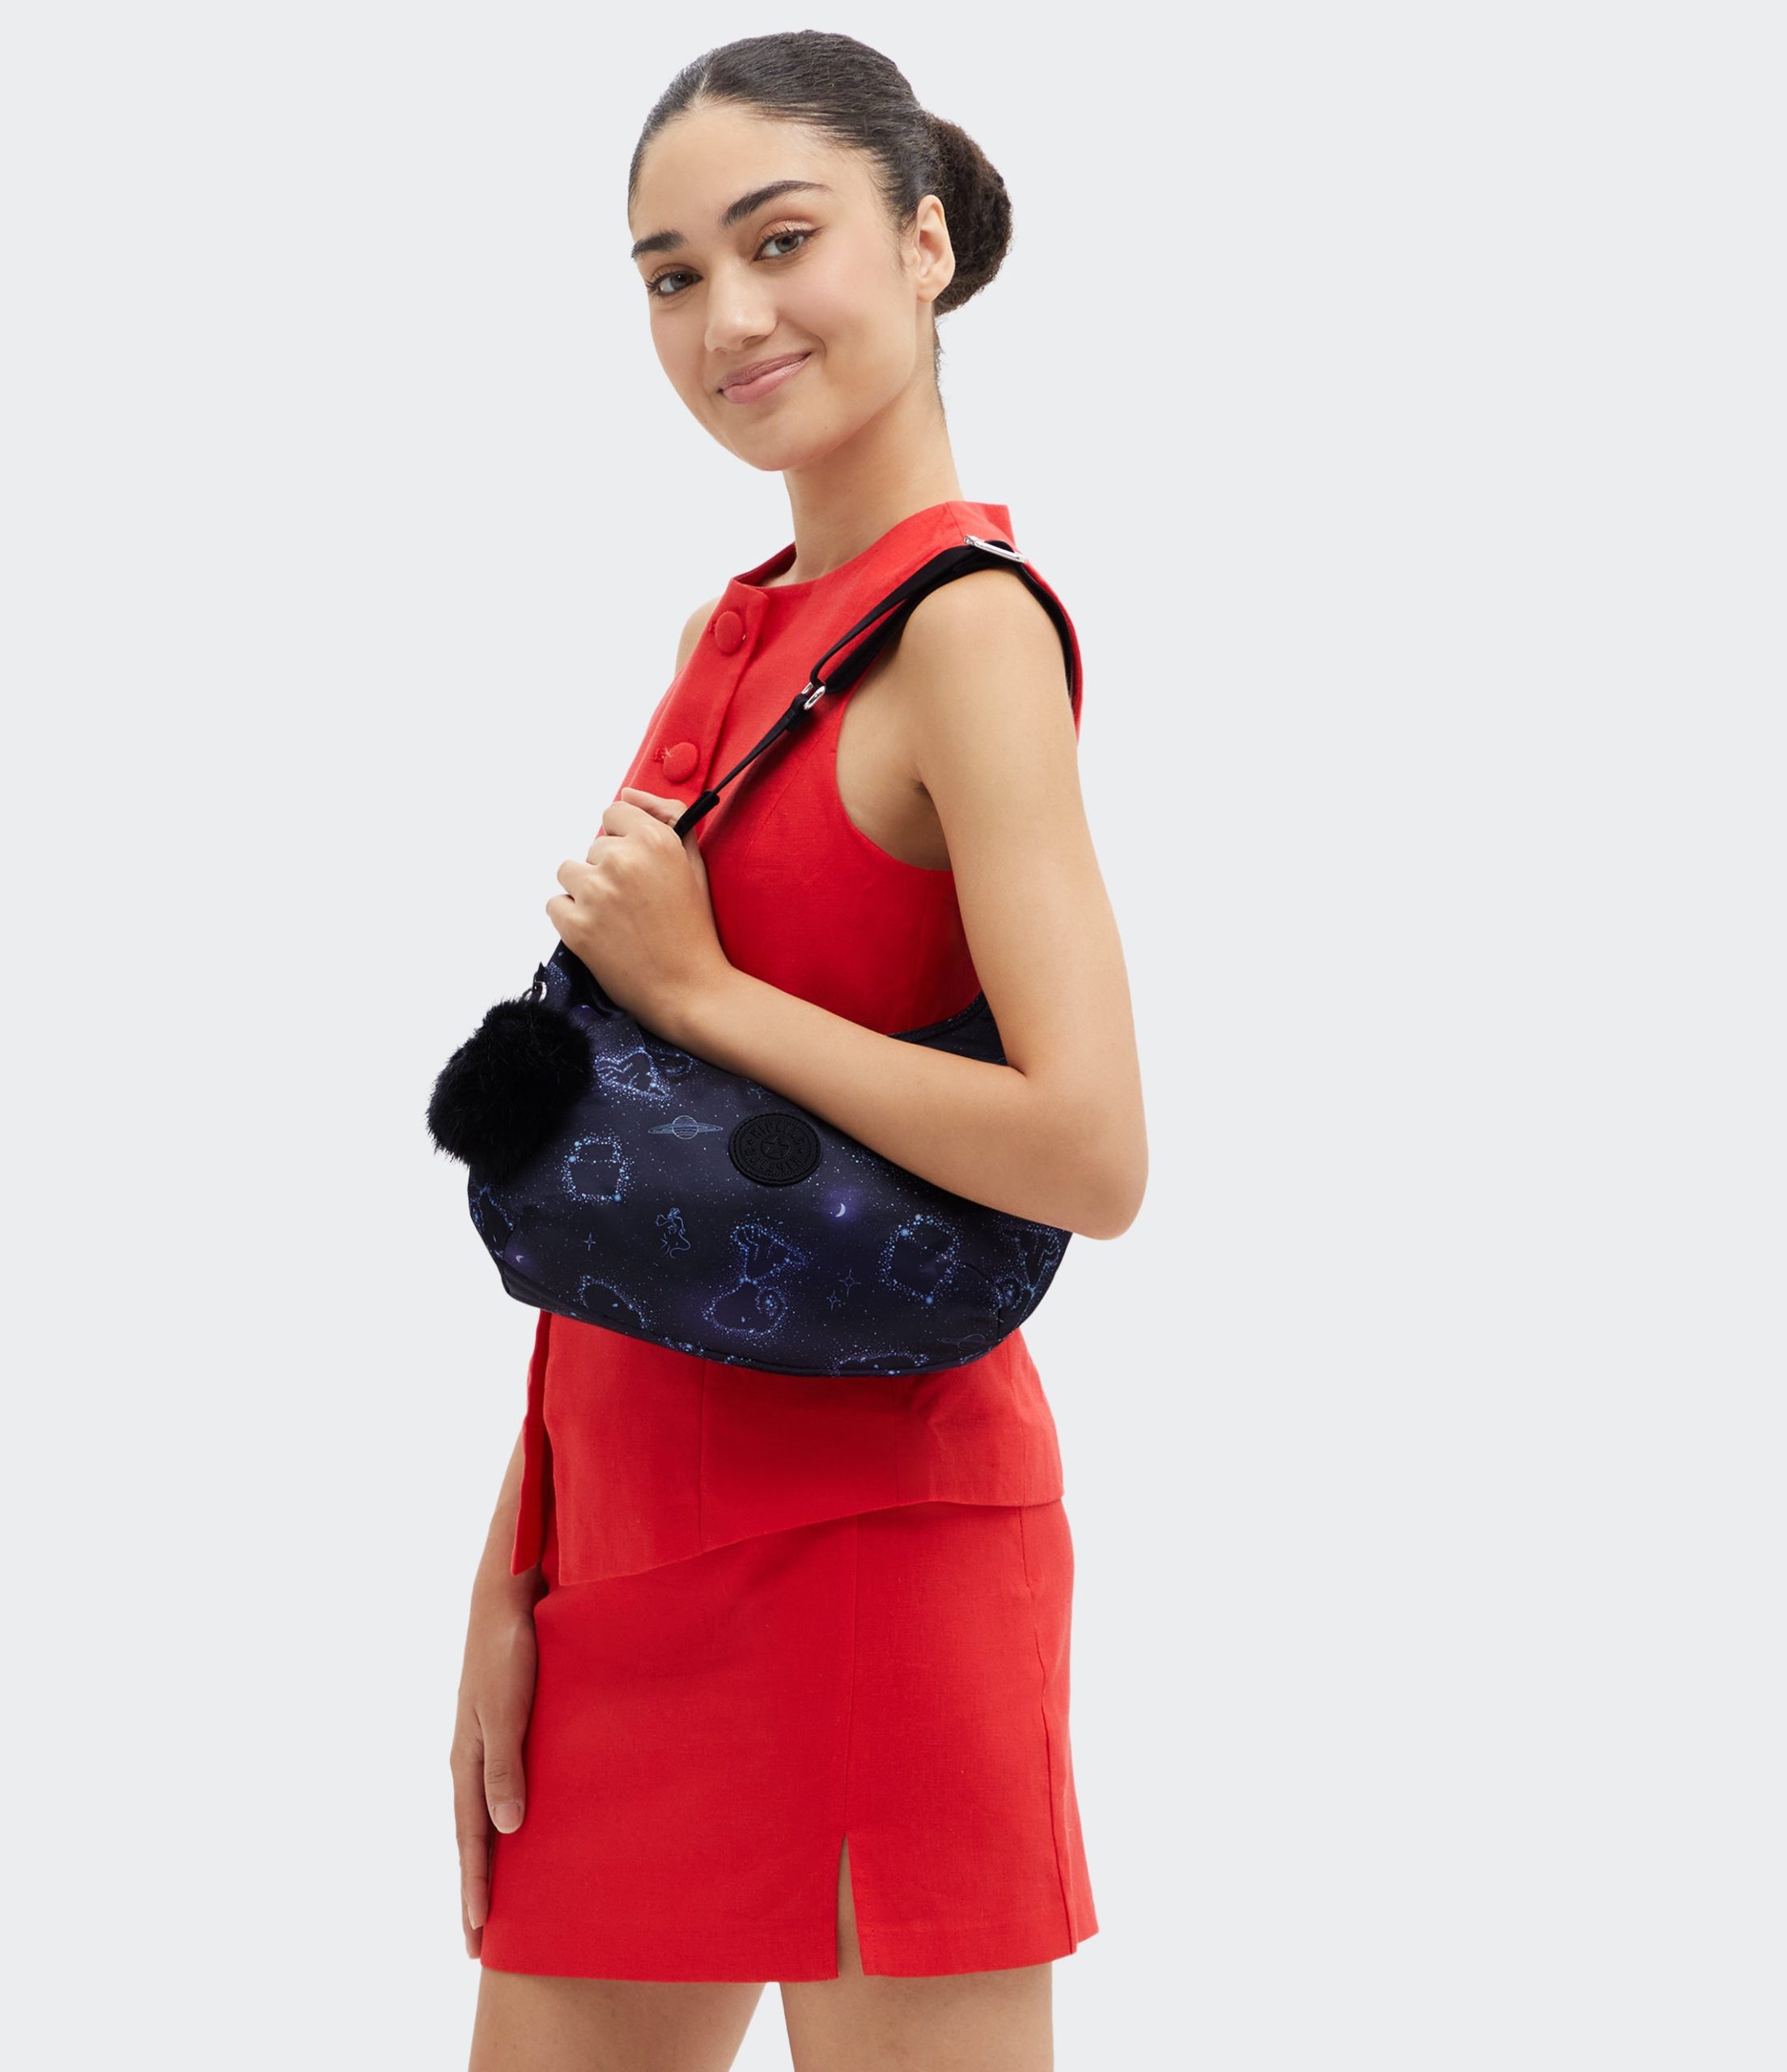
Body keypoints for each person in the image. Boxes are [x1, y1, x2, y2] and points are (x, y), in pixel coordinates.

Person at [452, 30, 1145, 2071]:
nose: (726, 317)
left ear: (923, 243)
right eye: (671, 274)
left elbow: (1090, 1149)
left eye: (778, 242)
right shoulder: (727, 640)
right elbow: (634, 1169)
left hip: (875, 1559)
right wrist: (514, 1568)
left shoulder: (967, 631)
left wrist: (704, 990)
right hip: (620, 1560)